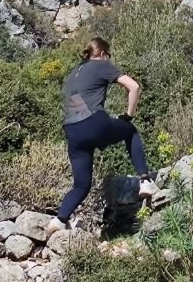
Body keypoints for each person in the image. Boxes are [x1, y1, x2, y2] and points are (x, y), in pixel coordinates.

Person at [47, 37, 158, 233]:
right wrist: (128, 115)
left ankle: (59, 219)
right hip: (93, 122)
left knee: (81, 184)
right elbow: (134, 87)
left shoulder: (73, 73)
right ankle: (145, 181)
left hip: (72, 131)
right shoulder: (102, 65)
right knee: (130, 131)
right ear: (103, 53)